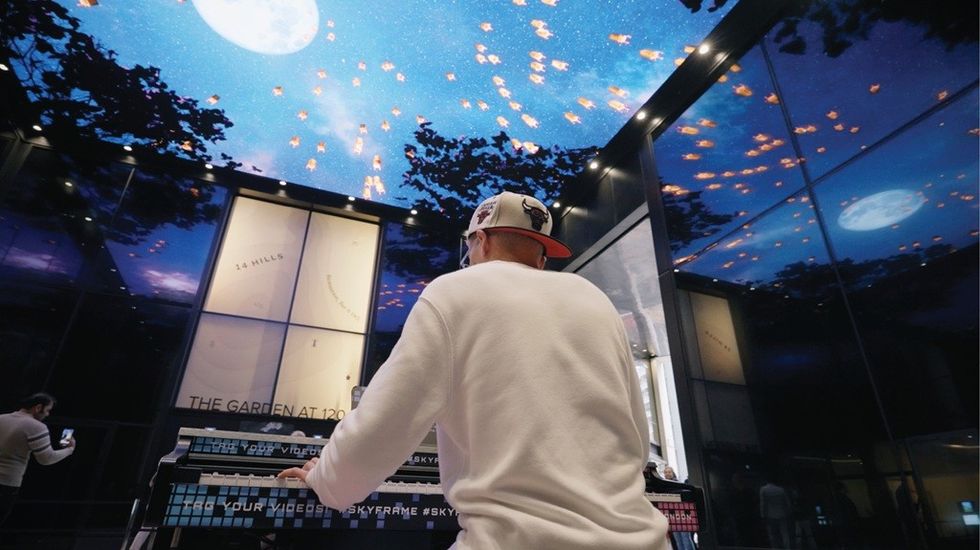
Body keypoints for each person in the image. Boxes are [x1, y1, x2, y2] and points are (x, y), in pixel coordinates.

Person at [280, 191, 669, 549]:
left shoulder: (454, 291)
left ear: (479, 240)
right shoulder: (594, 300)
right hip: (641, 537)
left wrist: (327, 479)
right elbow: (637, 434)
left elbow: (383, 420)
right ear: (541, 255)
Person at [0, 392, 75, 525]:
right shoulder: (36, 427)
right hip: (6, 483)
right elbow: (46, 458)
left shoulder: (2, 418)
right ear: (38, 407)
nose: (47, 415)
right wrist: (69, 450)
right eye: (47, 410)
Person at [759, 477, 793, 549]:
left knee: (773, 535)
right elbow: (787, 502)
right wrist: (788, 512)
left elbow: (763, 504)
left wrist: (763, 515)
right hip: (782, 514)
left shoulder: (763, 489)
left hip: (770, 515)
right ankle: (787, 548)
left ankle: (775, 548)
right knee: (784, 534)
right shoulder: (781, 489)